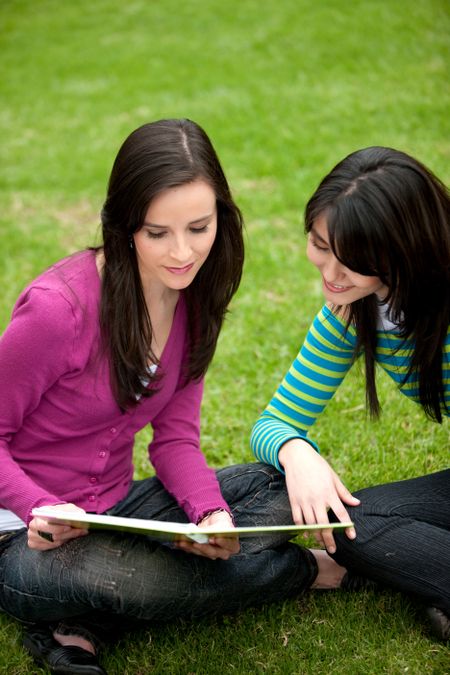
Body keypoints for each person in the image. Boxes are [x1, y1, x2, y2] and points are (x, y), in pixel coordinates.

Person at [0, 119, 346, 675]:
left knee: (277, 491)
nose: (182, 252)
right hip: (24, 536)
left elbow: (176, 439)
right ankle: (300, 572)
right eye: (156, 233)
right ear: (124, 226)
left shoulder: (192, 302)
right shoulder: (56, 310)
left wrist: (208, 514)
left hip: (117, 512)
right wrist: (36, 506)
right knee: (112, 576)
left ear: (220, 220)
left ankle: (84, 622)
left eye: (198, 227)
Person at [251, 145, 450, 642]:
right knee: (348, 527)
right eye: (320, 244)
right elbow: (273, 423)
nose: (331, 273)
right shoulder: (352, 310)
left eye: (355, 262)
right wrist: (297, 452)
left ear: (406, 250)